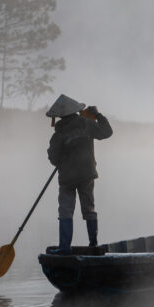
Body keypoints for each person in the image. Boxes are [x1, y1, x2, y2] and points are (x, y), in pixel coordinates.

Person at [45, 94, 113, 254]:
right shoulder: (87, 124)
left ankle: (64, 248)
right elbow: (107, 132)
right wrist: (97, 115)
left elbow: (53, 158)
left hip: (67, 178)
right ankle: (93, 244)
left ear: (61, 116)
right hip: (87, 175)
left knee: (65, 211)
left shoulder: (59, 133)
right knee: (89, 208)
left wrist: (60, 155)